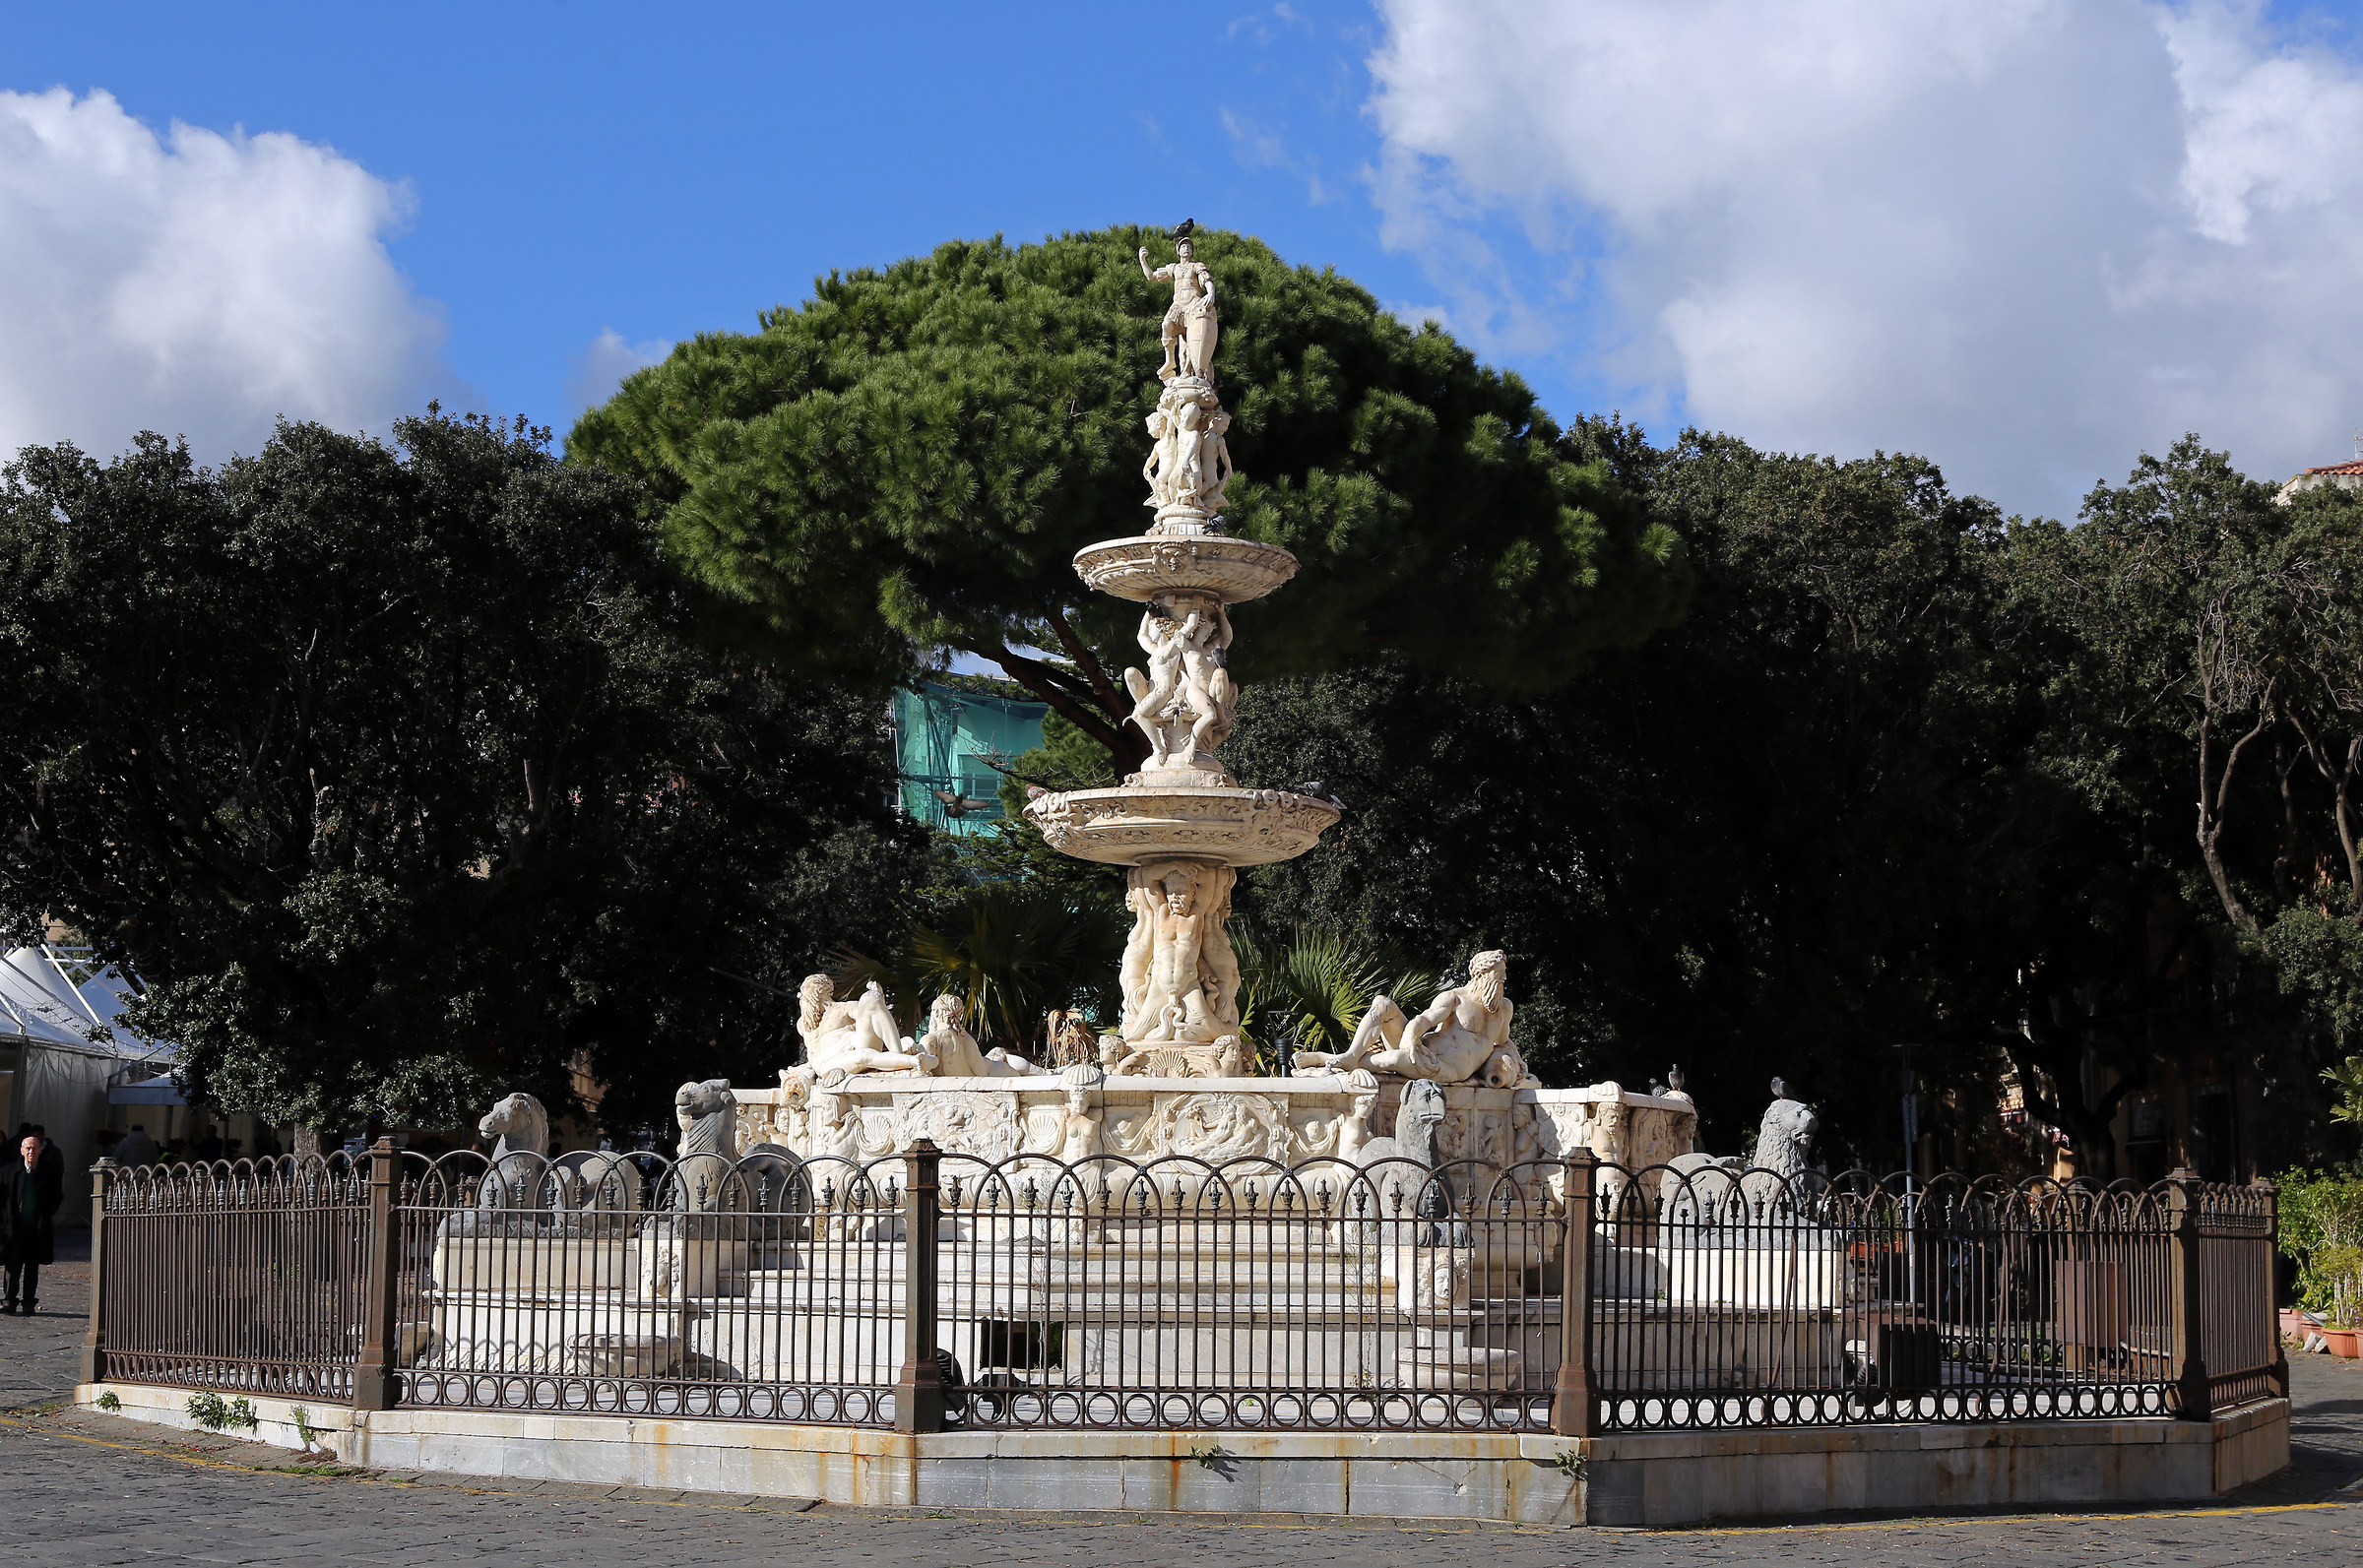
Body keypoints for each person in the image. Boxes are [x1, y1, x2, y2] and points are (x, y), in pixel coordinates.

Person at [1, 1133, 62, 1315]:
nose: (31, 1152)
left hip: (36, 1227)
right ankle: (9, 1300)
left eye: (34, 1148)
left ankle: (28, 1301)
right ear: (21, 1151)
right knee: (12, 1266)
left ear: (40, 1151)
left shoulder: (48, 1172)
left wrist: (46, 1213)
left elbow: (57, 1195)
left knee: (32, 1266)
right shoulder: (8, 1171)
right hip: (14, 1227)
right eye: (28, 1148)